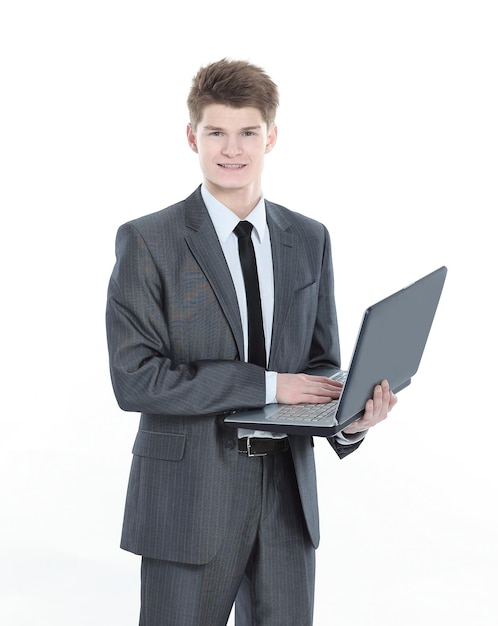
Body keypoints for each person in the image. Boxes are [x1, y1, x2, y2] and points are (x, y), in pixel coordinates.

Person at [106, 58, 397, 626]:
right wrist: (267, 386)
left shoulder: (308, 238)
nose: (231, 149)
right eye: (216, 132)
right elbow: (136, 378)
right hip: (190, 496)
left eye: (248, 133)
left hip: (286, 496)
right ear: (192, 136)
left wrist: (348, 417)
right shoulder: (149, 241)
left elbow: (320, 363)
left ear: (272, 136)